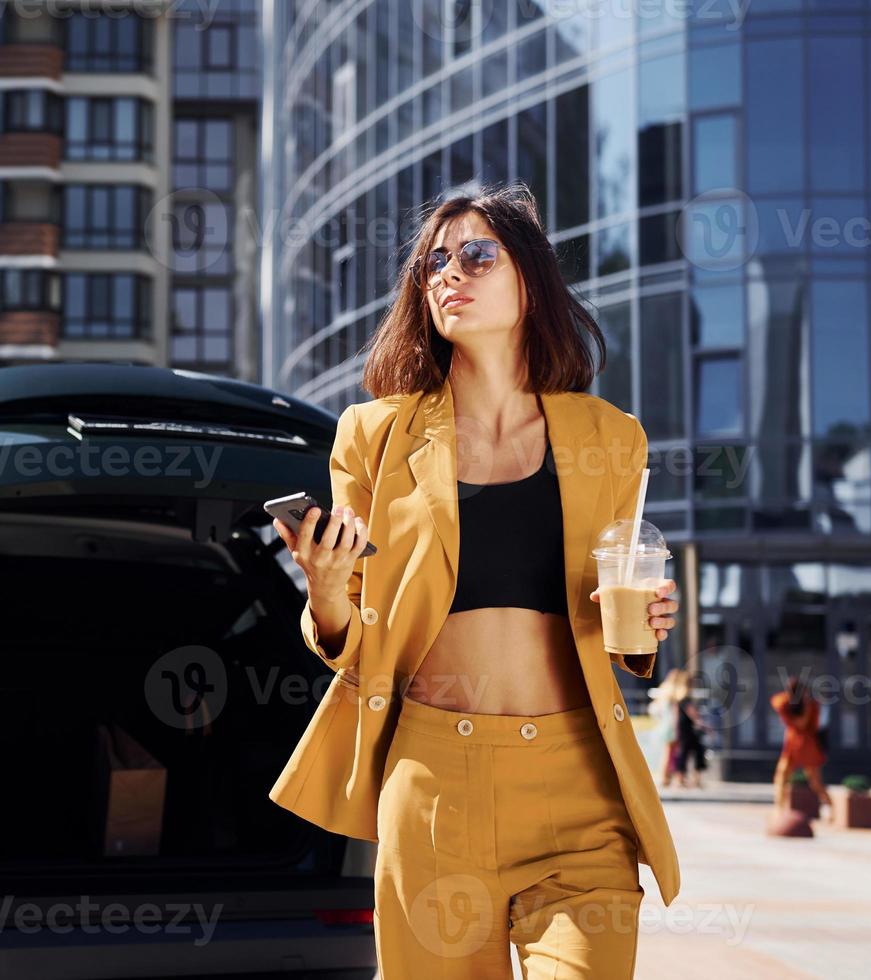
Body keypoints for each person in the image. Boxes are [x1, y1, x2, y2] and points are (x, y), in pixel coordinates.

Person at [271, 182, 681, 979]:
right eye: (432, 264)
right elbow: (348, 630)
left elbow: (621, 602)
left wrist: (649, 622)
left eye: (476, 254)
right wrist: (323, 587)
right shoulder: (374, 436)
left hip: (580, 783)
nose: (447, 274)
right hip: (433, 784)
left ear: (529, 277)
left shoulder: (611, 438)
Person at [770, 673, 831, 819]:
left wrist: (806, 705)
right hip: (793, 744)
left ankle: (830, 806)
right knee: (781, 776)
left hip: (806, 745)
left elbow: (804, 724)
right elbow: (780, 705)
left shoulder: (810, 704)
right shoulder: (785, 702)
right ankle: (779, 809)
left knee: (815, 781)